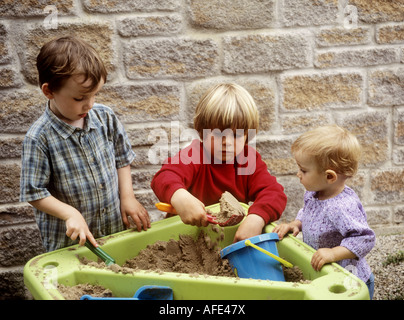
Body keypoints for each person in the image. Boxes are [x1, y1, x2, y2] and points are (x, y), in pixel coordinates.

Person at [20, 36, 150, 252]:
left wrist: (128, 197)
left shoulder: (105, 117)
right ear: (49, 91)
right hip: (71, 244)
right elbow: (34, 193)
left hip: (113, 230)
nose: (89, 104)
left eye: (94, 95)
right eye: (79, 98)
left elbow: (122, 157)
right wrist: (70, 213)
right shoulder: (39, 137)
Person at [151, 83, 287, 242]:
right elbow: (164, 177)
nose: (227, 142)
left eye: (236, 135)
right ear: (202, 131)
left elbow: (274, 193)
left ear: (247, 136)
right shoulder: (195, 154)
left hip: (228, 240)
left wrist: (257, 218)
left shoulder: (248, 160)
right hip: (185, 238)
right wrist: (179, 196)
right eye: (217, 133)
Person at [273, 125, 375, 299]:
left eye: (304, 170)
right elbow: (308, 211)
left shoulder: (341, 207)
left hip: (349, 281)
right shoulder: (314, 193)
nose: (298, 174)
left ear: (329, 177)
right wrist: (297, 223)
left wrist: (333, 253)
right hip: (328, 275)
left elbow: (365, 239)